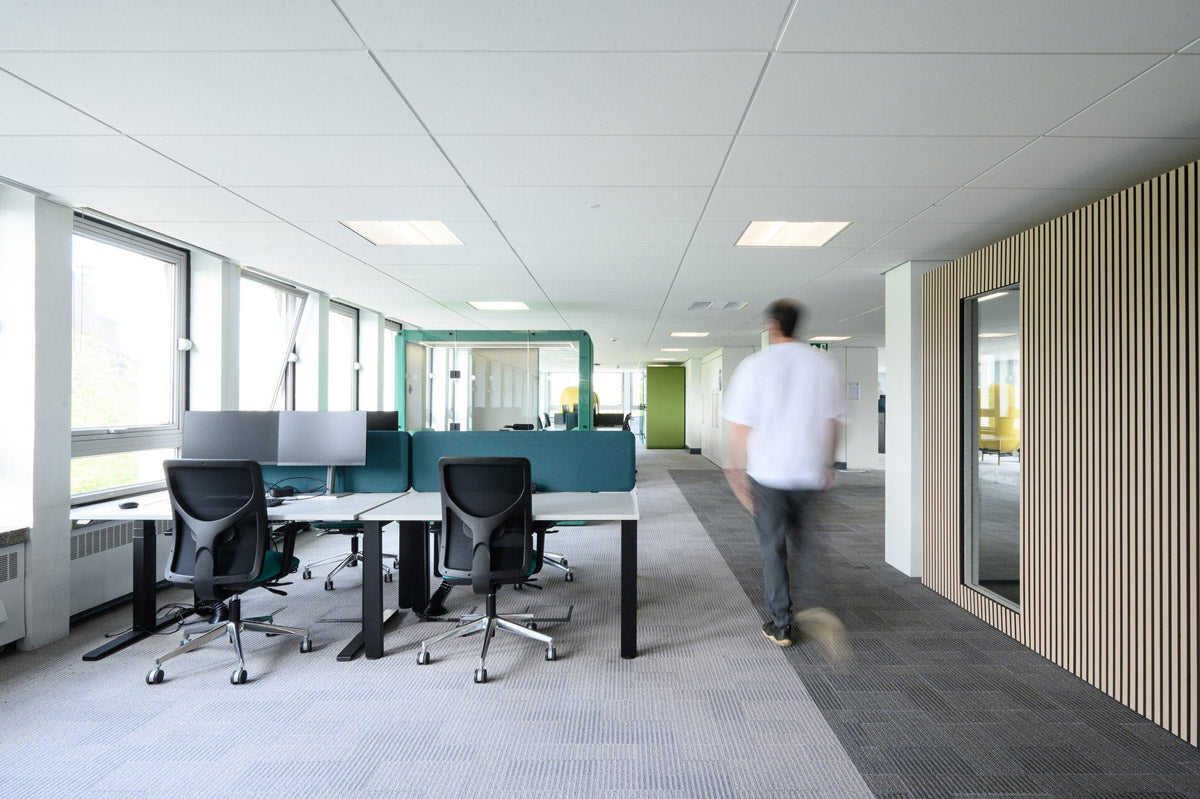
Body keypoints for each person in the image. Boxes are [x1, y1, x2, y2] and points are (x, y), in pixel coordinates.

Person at [722, 299, 846, 654]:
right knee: (807, 545)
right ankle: (818, 610)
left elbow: (741, 425)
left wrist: (734, 468)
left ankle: (781, 624)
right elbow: (832, 421)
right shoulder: (822, 364)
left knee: (773, 549)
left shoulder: (754, 366)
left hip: (769, 473)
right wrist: (828, 464)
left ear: (772, 326)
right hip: (808, 472)